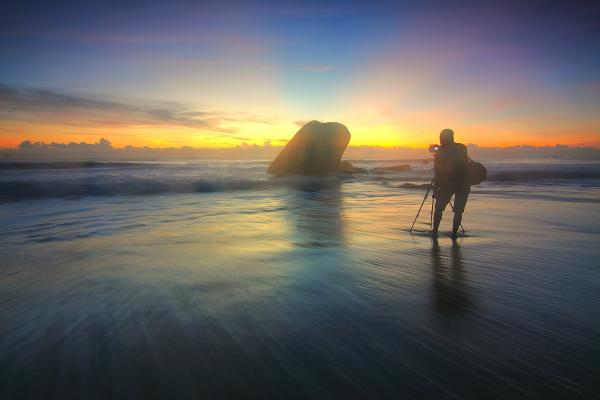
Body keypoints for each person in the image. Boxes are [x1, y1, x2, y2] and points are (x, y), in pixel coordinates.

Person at [432, 129, 470, 239]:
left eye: (441, 137)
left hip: (448, 183)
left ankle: (435, 231)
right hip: (464, 183)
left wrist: (436, 187)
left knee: (439, 207)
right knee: (458, 210)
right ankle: (454, 234)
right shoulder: (462, 147)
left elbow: (438, 170)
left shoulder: (441, 150)